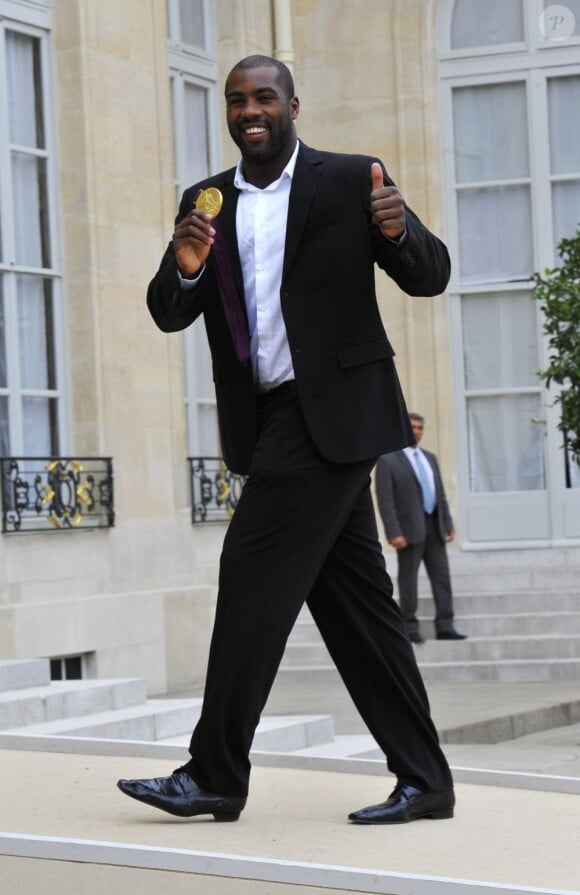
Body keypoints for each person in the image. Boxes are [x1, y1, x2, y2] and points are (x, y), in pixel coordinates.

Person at [117, 55, 455, 826]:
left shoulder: (349, 179)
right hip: (268, 420)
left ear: (293, 103)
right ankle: (426, 779)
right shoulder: (206, 199)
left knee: (249, 573)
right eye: (236, 100)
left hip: (332, 412)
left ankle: (214, 773)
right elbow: (168, 310)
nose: (249, 110)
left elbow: (430, 275)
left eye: (263, 96)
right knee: (359, 612)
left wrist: (401, 233)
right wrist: (188, 266)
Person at [375, 413, 467, 644]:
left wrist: (447, 523)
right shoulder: (388, 460)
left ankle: (445, 626)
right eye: (412, 426)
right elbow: (385, 500)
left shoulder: (430, 458)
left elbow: (440, 494)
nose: (416, 430)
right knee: (409, 580)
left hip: (434, 527)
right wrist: (393, 532)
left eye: (419, 427)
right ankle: (409, 627)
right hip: (407, 530)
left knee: (442, 578)